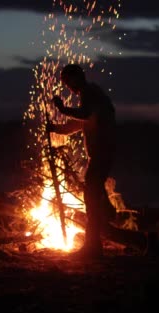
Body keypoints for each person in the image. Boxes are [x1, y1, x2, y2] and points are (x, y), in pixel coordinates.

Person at [49, 64, 117, 258]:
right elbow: (80, 123)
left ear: (76, 78)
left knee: (91, 196)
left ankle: (93, 245)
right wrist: (56, 128)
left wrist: (63, 109)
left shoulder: (89, 93)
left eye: (68, 81)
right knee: (93, 192)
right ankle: (104, 222)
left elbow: (85, 114)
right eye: (65, 83)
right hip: (101, 153)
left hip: (103, 152)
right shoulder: (91, 95)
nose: (68, 86)